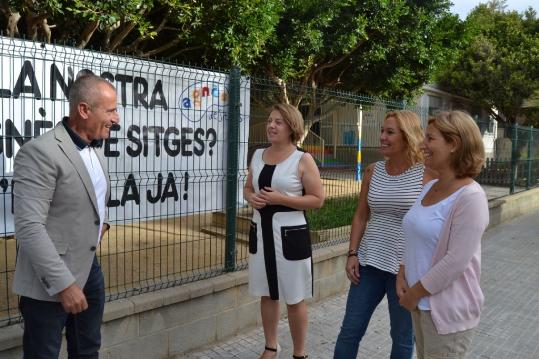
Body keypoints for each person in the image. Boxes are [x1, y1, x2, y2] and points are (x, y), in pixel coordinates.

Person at [12, 74, 119, 358]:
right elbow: (29, 227)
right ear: (84, 110)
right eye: (110, 110)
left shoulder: (97, 149)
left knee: (87, 349)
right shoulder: (39, 153)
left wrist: (99, 226)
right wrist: (64, 284)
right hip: (51, 280)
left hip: (90, 270)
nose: (116, 118)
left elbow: (86, 202)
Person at [334, 110, 436, 359]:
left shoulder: (426, 175)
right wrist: (352, 253)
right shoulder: (372, 171)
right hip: (368, 263)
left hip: (406, 269)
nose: (382, 137)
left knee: (402, 339)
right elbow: (360, 216)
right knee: (350, 330)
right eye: (382, 131)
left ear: (408, 137)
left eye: (390, 132)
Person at [397, 111, 489, 358]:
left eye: (430, 138)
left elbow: (455, 262)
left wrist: (413, 294)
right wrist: (402, 271)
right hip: (420, 305)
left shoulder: (471, 197)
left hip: (446, 312)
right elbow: (413, 234)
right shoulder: (429, 187)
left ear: (453, 145)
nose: (421, 144)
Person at [244, 104, 324, 359]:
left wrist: (281, 199)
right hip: (262, 235)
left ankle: (299, 353)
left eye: (278, 122)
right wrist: (251, 198)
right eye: (269, 121)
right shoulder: (257, 155)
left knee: (294, 297)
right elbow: (248, 187)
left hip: (290, 238)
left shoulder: (302, 159)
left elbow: (317, 199)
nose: (271, 126)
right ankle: (271, 346)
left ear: (292, 127)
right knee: (267, 294)